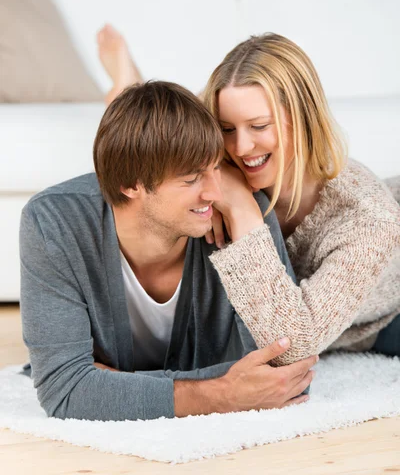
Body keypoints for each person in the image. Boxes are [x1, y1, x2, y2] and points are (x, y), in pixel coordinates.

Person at [96, 25, 400, 364]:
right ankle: (126, 84)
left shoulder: (370, 220)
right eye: (227, 129)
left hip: (383, 320)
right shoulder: (220, 151)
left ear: (303, 118)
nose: (240, 147)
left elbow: (293, 345)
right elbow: (144, 149)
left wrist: (242, 209)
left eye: (259, 127)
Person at [20, 80, 317, 422]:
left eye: (216, 167)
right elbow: (65, 390)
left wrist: (108, 385)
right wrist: (222, 394)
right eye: (192, 178)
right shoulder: (54, 222)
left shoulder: (244, 215)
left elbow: (288, 374)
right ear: (130, 185)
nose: (215, 192)